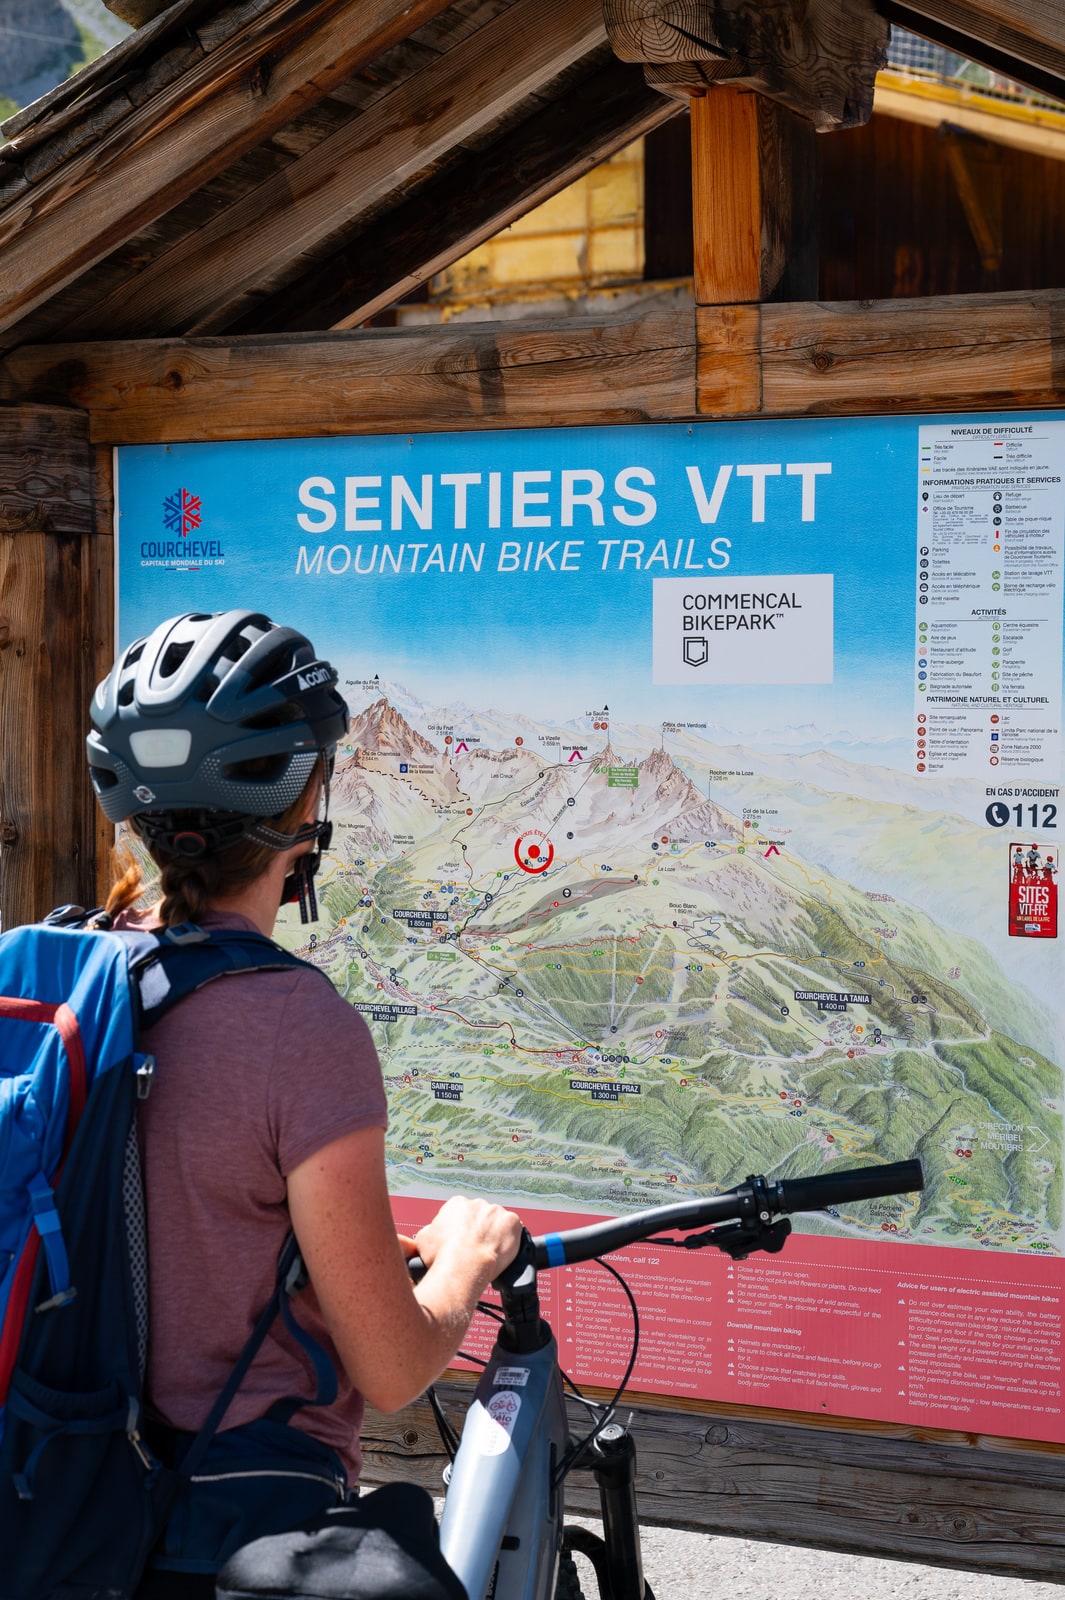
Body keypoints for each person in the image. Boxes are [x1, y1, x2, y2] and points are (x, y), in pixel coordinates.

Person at [86, 608, 521, 1592]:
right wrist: (464, 1263)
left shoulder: (62, 976)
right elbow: (392, 1365)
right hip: (235, 1525)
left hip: (65, 1493)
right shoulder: (296, 1024)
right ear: (307, 795)